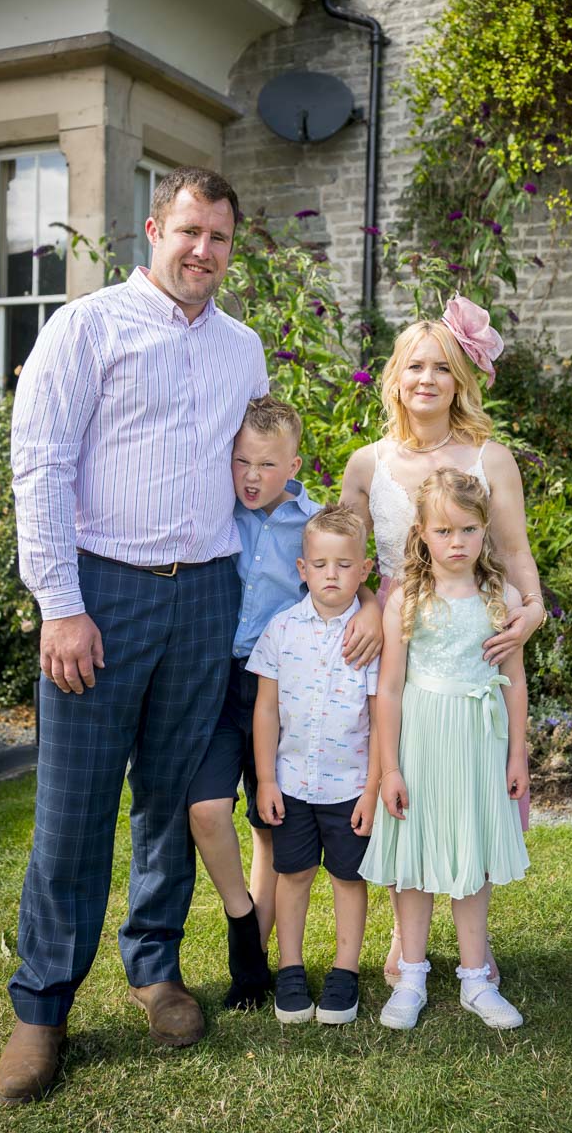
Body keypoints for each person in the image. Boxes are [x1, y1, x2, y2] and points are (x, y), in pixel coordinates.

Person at [0, 167, 267, 1105]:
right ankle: (42, 1007)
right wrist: (60, 605)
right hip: (102, 595)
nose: (202, 250)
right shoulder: (87, 328)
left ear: (233, 247)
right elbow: (40, 467)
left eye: (220, 238)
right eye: (189, 230)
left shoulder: (244, 349)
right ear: (154, 228)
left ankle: (155, 971)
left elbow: (258, 474)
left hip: (206, 596)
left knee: (171, 802)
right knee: (72, 811)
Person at [340, 294, 544, 983]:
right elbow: (345, 555)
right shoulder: (367, 464)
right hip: (400, 635)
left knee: (466, 782)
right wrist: (369, 604)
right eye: (414, 366)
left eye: (441, 368)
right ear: (395, 377)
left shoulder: (490, 459)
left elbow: (514, 554)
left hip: (470, 626)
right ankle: (410, 934)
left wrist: (535, 608)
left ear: (460, 380)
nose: (426, 379)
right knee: (398, 778)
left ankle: (456, 948)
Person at [187, 399, 381, 1010]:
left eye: (266, 464)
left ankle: (260, 970)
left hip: (287, 687)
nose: (249, 475)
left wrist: (372, 607)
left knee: (272, 830)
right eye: (240, 460)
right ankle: (246, 928)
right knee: (208, 808)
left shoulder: (308, 522)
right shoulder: (215, 509)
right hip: (222, 680)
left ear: (293, 465)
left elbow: (343, 571)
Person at [359, 468, 530, 1030]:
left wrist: (517, 755)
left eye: (469, 530)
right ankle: (410, 974)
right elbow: (388, 687)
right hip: (422, 740)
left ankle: (476, 980)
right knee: (413, 858)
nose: (457, 543)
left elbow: (516, 681)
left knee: (471, 854)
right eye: (444, 531)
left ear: (484, 531)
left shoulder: (499, 596)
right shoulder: (408, 598)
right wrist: (389, 768)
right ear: (422, 534)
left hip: (480, 741)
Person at [250, 505, 380, 1025]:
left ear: (364, 570)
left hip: (349, 785)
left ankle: (345, 970)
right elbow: (265, 708)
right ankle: (291, 967)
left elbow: (380, 718)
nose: (332, 574)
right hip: (293, 783)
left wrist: (372, 789)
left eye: (345, 565)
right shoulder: (282, 630)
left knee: (348, 877)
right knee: (294, 873)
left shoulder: (371, 639)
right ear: (302, 569)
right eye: (320, 564)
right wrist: (264, 779)